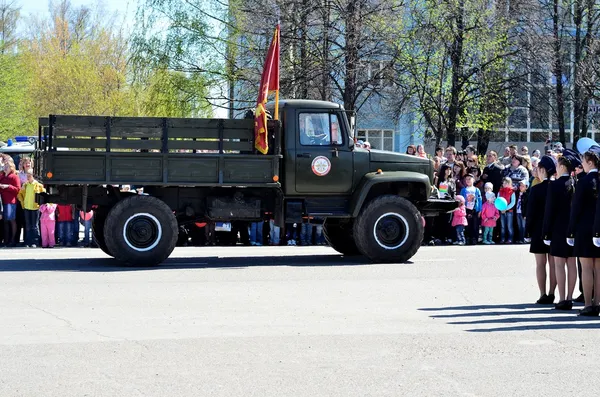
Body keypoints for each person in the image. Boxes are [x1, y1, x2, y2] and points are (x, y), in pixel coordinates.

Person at [543, 150, 580, 310]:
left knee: (559, 264)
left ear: (563, 166)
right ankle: (570, 298)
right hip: (573, 228)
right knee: (571, 263)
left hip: (558, 228)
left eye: (558, 165)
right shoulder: (575, 183)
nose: (556, 168)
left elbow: (549, 210)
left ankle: (562, 298)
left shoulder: (555, 185)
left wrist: (546, 231)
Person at [571, 149, 600, 315]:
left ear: (590, 162)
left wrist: (571, 231)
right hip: (598, 228)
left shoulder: (583, 181)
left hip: (584, 228)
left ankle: (588, 304)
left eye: (583, 160)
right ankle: (597, 302)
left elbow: (576, 208)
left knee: (587, 267)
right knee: (598, 267)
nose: (581, 163)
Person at [527, 155, 556, 305]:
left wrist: (527, 231)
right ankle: (552, 293)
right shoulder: (557, 186)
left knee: (540, 263)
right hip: (554, 228)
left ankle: (543, 293)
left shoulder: (536, 188)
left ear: (543, 170)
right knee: (553, 263)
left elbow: (530, 212)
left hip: (539, 228)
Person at [16, 170, 45, 248]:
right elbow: (19, 195)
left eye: (29, 175)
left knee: (34, 225)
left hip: (35, 208)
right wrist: (23, 203)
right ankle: (28, 241)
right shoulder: (25, 185)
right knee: (28, 225)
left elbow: (44, 194)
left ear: (33, 175)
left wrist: (40, 205)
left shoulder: (38, 185)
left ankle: (35, 241)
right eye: (27, 175)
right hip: (27, 207)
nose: (28, 177)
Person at [0, 156, 21, 247]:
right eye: (5, 166)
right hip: (2, 201)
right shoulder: (2, 176)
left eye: (7, 166)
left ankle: (12, 240)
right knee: (5, 221)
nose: (5, 167)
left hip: (10, 201)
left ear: (12, 168)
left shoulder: (14, 177)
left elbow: (18, 189)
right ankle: (6, 240)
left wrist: (8, 186)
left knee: (11, 220)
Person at [460, 174, 482, 245]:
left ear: (473, 180)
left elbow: (480, 200)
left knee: (475, 225)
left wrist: (480, 210)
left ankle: (474, 238)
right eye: (466, 179)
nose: (468, 180)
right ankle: (467, 238)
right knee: (467, 225)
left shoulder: (476, 190)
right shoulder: (463, 190)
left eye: (469, 179)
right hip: (466, 209)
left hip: (475, 209)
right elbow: (461, 200)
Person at [498, 177, 516, 244]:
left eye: (507, 183)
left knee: (509, 226)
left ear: (510, 183)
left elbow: (513, 202)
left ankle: (510, 238)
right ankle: (502, 238)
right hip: (502, 211)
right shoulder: (500, 191)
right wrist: (501, 209)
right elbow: (498, 200)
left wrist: (506, 208)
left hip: (509, 212)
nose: (505, 184)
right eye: (504, 183)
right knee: (503, 226)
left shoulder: (512, 192)